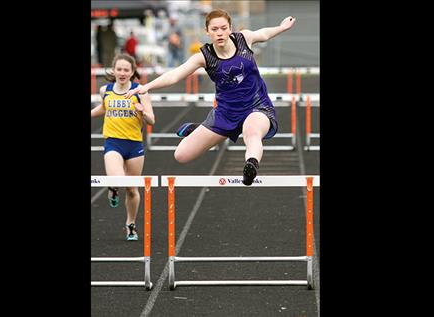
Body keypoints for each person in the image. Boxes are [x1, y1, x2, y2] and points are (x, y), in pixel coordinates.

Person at [125, 9, 296, 186]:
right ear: (207, 31)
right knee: (181, 155)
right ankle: (199, 128)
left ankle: (251, 165)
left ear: (230, 28)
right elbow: (175, 75)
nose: (220, 33)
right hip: (225, 113)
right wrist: (147, 87)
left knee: (251, 132)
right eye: (215, 29)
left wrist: (282, 27)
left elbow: (264, 34)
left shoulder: (243, 39)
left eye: (223, 28)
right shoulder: (204, 57)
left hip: (256, 106)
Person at [91, 53, 155, 241]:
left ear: (132, 72)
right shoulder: (106, 90)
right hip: (113, 143)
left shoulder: (140, 92)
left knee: (132, 189)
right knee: (117, 178)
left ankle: (131, 224)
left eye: (126, 70)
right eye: (119, 69)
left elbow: (152, 119)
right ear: (114, 70)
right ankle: (113, 186)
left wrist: (143, 113)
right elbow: (104, 108)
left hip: (134, 145)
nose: (122, 73)